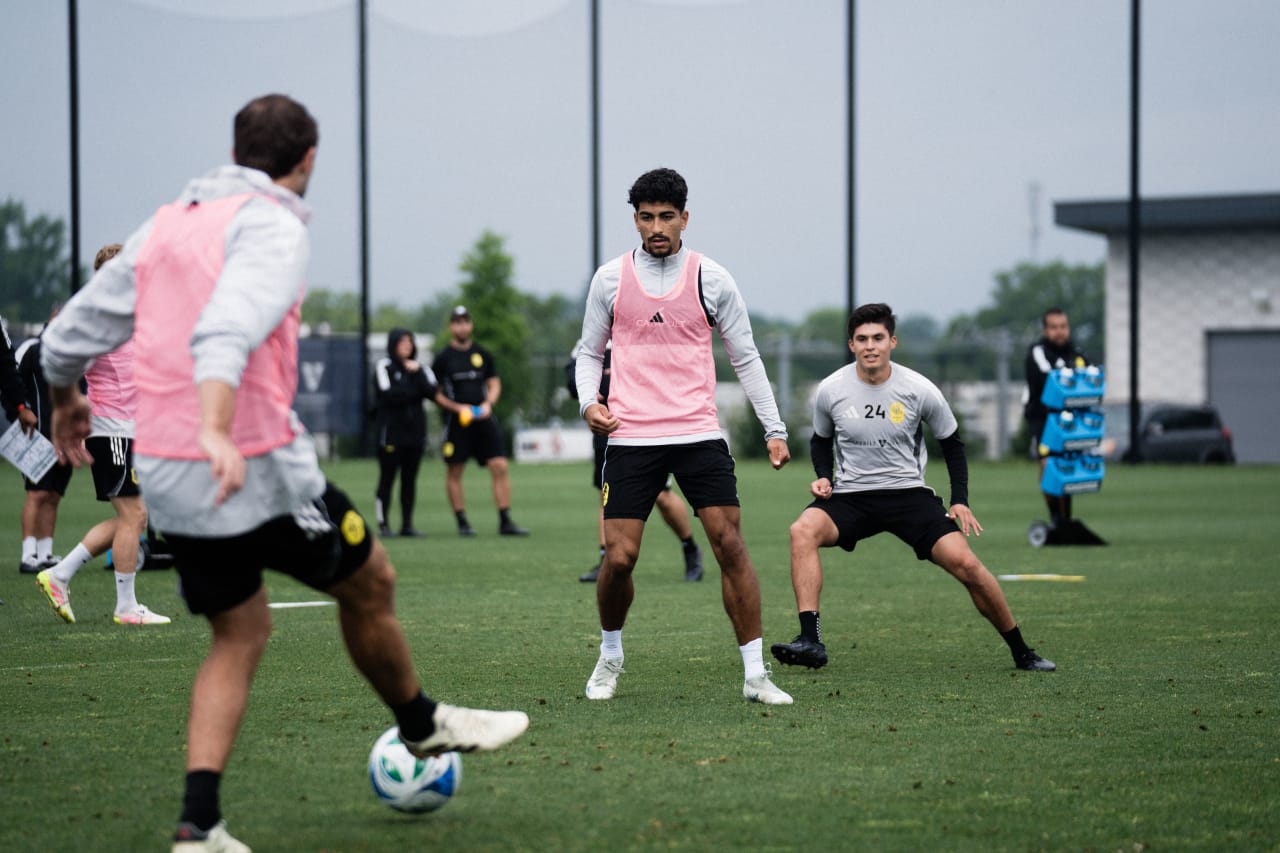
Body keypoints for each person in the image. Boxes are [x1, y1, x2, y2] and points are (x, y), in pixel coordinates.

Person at [40, 93, 529, 853]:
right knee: (372, 580)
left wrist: (68, 396)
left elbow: (69, 331)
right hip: (256, 468)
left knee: (239, 633)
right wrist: (214, 427)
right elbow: (226, 328)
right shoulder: (274, 225)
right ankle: (420, 722)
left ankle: (198, 824)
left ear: (238, 152)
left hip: (169, 473)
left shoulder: (167, 222)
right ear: (309, 159)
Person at [575, 167, 793, 705]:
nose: (656, 227)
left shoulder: (711, 278)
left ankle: (755, 675)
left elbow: (746, 356)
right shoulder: (609, 279)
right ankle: (609, 655)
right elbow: (588, 352)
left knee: (730, 545)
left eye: (666, 217)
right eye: (646, 217)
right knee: (618, 559)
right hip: (631, 435)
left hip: (697, 432)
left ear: (685, 218)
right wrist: (589, 403)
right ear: (635, 219)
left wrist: (774, 428)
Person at [770, 303, 1056, 674]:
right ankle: (810, 640)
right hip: (851, 496)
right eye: (862, 339)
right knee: (802, 531)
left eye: (877, 338)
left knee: (967, 565)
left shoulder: (919, 389)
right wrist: (823, 475)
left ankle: (1022, 651)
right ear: (851, 345)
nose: (870, 346)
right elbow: (820, 440)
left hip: (907, 495)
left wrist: (960, 500)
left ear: (892, 342)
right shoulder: (831, 389)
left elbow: (952, 444)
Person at [35, 243, 169, 626]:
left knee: (133, 517)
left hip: (129, 432)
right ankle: (125, 607)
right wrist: (72, 412)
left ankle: (60, 574)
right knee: (134, 515)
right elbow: (64, 357)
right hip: (112, 431)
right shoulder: (99, 319)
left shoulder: (130, 317)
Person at [567, 339, 703, 583]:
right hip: (607, 429)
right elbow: (573, 375)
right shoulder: (591, 340)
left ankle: (690, 547)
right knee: (606, 493)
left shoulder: (640, 333)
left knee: (661, 496)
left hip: (646, 426)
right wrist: (586, 393)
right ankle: (606, 559)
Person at [431, 305, 529, 537]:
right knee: (455, 470)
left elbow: (494, 383)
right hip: (457, 423)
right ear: (451, 326)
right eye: (458, 322)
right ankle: (462, 522)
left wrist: (488, 404)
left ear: (471, 325)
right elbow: (435, 393)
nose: (462, 326)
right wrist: (457, 408)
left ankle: (505, 520)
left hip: (483, 419)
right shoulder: (443, 359)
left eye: (466, 321)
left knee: (500, 465)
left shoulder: (482, 354)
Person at [15, 309, 75, 575]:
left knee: (53, 495)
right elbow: (14, 387)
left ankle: (45, 553)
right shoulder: (33, 350)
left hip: (66, 437)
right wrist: (22, 411)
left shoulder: (74, 353)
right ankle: (28, 555)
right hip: (36, 436)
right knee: (37, 493)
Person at [1024, 307, 1089, 527]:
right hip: (1042, 420)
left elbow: (1090, 377)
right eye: (1054, 327)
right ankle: (1055, 517)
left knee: (1067, 465)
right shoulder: (1038, 351)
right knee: (1047, 464)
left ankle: (1066, 519)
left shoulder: (1076, 353)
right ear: (1045, 330)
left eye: (1063, 327)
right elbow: (1048, 380)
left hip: (1069, 420)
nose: (1059, 332)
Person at [372, 328, 437, 537]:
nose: (407, 346)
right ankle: (383, 524)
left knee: (409, 480)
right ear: (393, 345)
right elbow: (388, 394)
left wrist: (416, 374)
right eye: (402, 342)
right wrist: (415, 391)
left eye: (410, 342)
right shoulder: (384, 366)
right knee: (387, 478)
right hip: (391, 433)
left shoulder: (420, 369)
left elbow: (433, 391)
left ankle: (407, 525)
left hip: (415, 434)